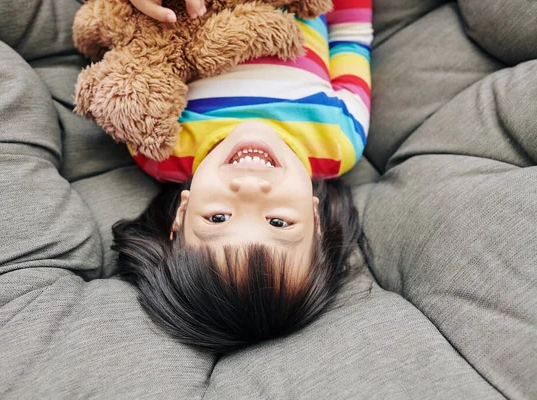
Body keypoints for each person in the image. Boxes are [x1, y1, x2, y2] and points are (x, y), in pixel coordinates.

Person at [113, 0, 373, 353]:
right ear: (316, 219)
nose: (250, 187)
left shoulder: (157, 144)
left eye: (218, 218)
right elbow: (350, 38)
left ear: (181, 215)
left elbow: (132, 49)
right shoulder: (339, 139)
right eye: (279, 222)